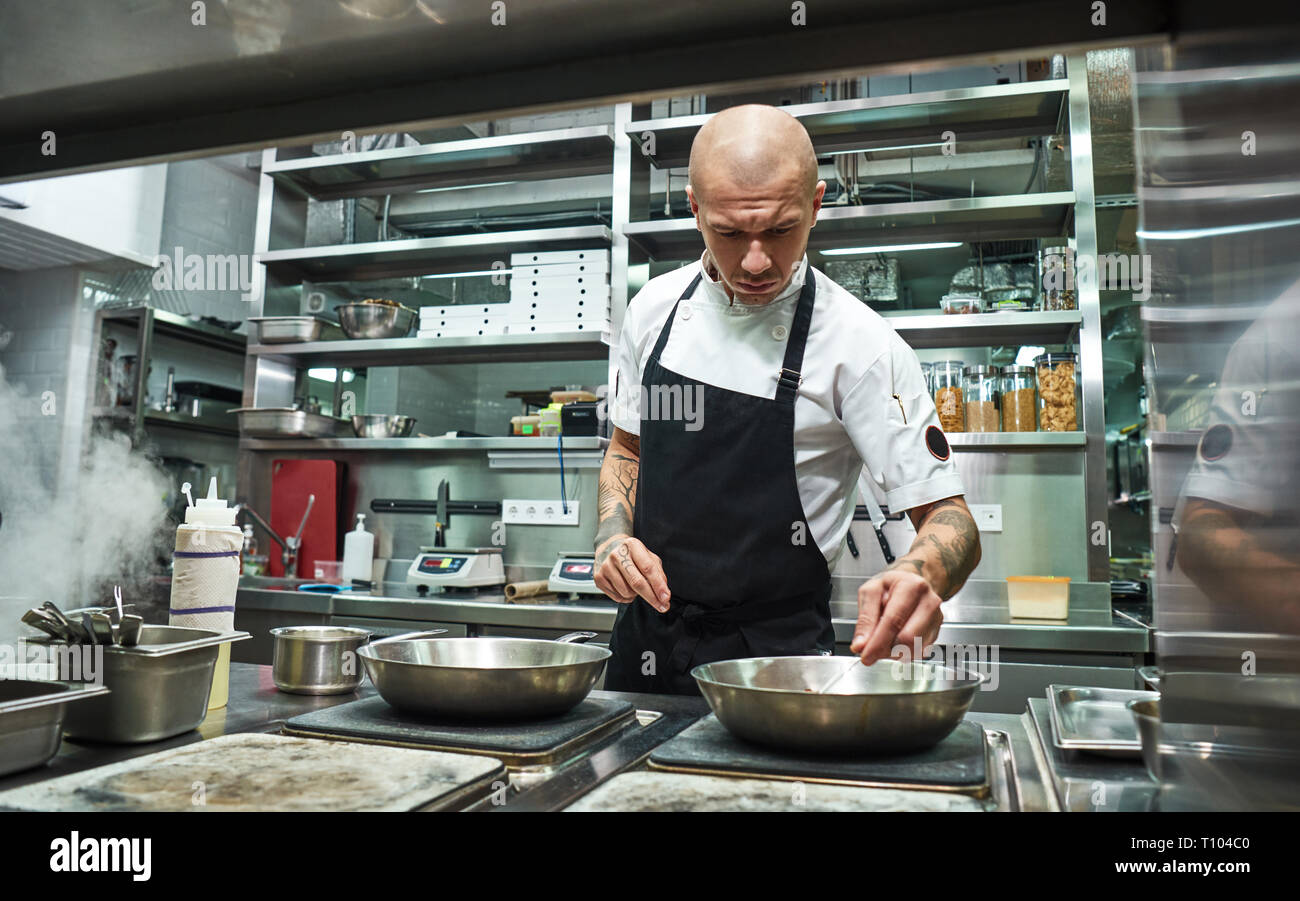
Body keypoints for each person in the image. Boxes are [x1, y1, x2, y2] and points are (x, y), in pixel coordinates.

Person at [595, 104, 981, 694]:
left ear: (817, 205)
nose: (756, 261)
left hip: (776, 668)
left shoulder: (863, 346)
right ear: (695, 210)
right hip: (643, 650)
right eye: (729, 232)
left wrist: (917, 572)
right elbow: (628, 449)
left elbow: (951, 520)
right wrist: (612, 536)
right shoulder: (654, 308)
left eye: (779, 229)